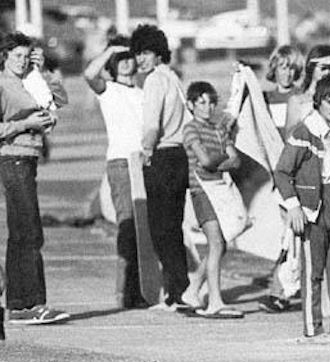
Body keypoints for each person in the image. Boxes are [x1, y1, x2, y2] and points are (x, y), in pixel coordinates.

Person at [274, 75, 330, 342]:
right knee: (313, 271)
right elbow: (281, 172)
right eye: (329, 101)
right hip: (312, 208)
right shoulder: (304, 131)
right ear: (318, 102)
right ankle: (313, 329)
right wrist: (294, 207)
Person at [0, 32, 70, 324]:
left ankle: (20, 303)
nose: (21, 61)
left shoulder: (29, 79)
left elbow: (60, 99)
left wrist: (43, 71)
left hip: (28, 157)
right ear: (4, 56)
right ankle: (28, 302)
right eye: (16, 55)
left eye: (26, 55)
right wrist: (24, 123)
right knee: (27, 230)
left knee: (24, 230)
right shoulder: (3, 83)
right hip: (12, 156)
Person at [84, 35, 147, 309]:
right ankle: (125, 292)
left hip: (145, 163)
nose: (124, 63)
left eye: (128, 57)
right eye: (118, 59)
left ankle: (143, 288)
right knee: (127, 226)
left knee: (146, 229)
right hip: (121, 163)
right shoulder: (108, 90)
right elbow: (88, 73)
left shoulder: (145, 92)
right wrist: (110, 48)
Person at [131, 25, 190, 310]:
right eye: (137, 53)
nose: (140, 59)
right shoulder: (174, 78)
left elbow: (152, 124)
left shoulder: (155, 80)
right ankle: (178, 291)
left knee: (160, 229)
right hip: (180, 157)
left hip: (162, 156)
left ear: (157, 53)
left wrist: (145, 151)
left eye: (145, 52)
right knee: (174, 227)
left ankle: (177, 293)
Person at [179, 81, 244, 319]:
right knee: (216, 242)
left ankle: (193, 287)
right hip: (201, 191)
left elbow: (235, 160)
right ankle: (215, 300)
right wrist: (220, 161)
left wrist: (214, 161)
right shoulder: (191, 129)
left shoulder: (218, 129)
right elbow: (203, 161)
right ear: (191, 105)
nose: (208, 107)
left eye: (211, 102)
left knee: (221, 242)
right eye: (201, 102)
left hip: (219, 190)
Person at [258, 45, 305, 313]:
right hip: (277, 172)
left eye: (291, 68)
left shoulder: (300, 97)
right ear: (274, 68)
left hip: (298, 169)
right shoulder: (264, 98)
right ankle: (282, 288)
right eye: (283, 67)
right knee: (289, 230)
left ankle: (281, 289)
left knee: (292, 230)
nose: (287, 73)